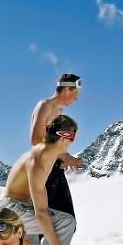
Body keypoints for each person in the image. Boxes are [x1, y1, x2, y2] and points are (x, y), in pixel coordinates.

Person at [0, 114, 78, 245]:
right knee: (65, 222)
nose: (72, 142)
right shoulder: (38, 161)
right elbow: (41, 212)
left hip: (19, 208)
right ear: (64, 138)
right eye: (72, 138)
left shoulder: (46, 151)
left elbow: (59, 153)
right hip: (14, 211)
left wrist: (69, 159)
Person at [29, 73, 83, 218]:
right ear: (67, 89)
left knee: (67, 219)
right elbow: (36, 139)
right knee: (47, 221)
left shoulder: (58, 111)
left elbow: (52, 143)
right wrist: (63, 156)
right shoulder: (45, 106)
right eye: (75, 93)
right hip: (45, 172)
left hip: (56, 169)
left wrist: (66, 158)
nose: (76, 98)